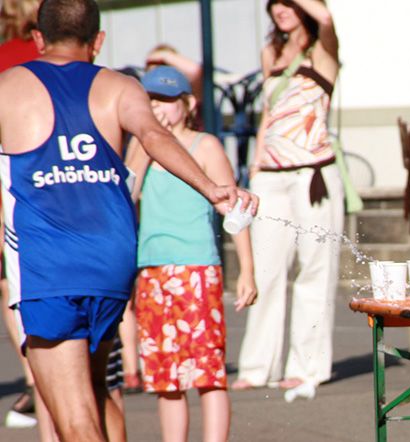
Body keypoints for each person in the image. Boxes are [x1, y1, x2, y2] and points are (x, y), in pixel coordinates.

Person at [0, 1, 257, 441]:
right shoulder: (120, 87)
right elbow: (155, 135)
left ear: (38, 38)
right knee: (97, 391)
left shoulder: (9, 86)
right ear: (98, 41)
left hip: (49, 264)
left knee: (73, 419)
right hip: (111, 258)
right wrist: (211, 188)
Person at [126, 65, 257, 441]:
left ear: (188, 104)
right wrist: (144, 148)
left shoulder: (206, 146)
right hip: (152, 270)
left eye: (166, 100)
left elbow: (234, 210)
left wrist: (247, 270)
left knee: (208, 372)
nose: (158, 107)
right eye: (151, 101)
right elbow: (126, 196)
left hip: (197, 270)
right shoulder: (141, 146)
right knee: (165, 377)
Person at [232, 0, 344, 394]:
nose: (280, 8)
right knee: (265, 268)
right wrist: (255, 166)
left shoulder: (323, 50)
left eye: (289, 2)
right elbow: (269, 113)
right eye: (275, 2)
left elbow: (326, 18)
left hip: (313, 173)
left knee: (314, 270)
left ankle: (306, 366)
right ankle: (257, 366)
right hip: (270, 175)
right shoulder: (271, 52)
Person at [0, 0, 41, 429]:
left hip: (13, 186)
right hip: (54, 185)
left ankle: (36, 378)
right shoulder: (59, 55)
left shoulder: (10, 58)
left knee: (11, 281)